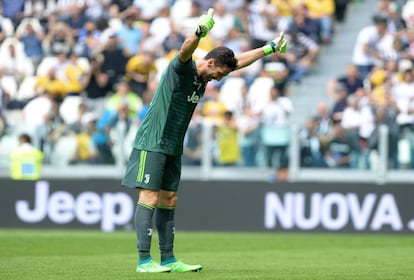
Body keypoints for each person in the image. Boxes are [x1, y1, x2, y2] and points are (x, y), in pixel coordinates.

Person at [121, 8, 287, 273]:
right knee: (150, 197)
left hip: (173, 145)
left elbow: (238, 62)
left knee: (169, 198)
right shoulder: (182, 69)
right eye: (218, 74)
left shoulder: (207, 75)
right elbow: (186, 50)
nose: (219, 79)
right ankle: (144, 261)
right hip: (152, 141)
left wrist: (267, 49)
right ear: (209, 63)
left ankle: (168, 259)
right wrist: (200, 31)